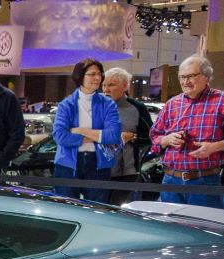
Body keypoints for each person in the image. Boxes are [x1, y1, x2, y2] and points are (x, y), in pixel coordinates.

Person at [149, 55, 224, 207]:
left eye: (191, 76)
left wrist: (215, 147)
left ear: (206, 77)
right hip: (170, 180)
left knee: (202, 229)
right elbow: (154, 135)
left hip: (205, 182)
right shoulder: (171, 104)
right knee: (170, 230)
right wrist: (166, 140)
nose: (185, 82)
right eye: (182, 77)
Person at [51, 58, 122, 203]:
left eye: (99, 74)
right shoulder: (66, 105)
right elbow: (60, 137)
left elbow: (114, 135)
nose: (97, 78)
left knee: (98, 209)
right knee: (66, 208)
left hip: (98, 163)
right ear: (80, 76)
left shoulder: (108, 104)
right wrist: (98, 135)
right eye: (92, 74)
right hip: (68, 164)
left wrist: (80, 130)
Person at [102, 67, 153, 204]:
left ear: (125, 86)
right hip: (98, 170)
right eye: (104, 85)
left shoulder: (137, 108)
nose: (106, 89)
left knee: (116, 210)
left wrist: (133, 136)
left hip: (127, 172)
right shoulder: (95, 106)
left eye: (111, 85)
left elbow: (151, 136)